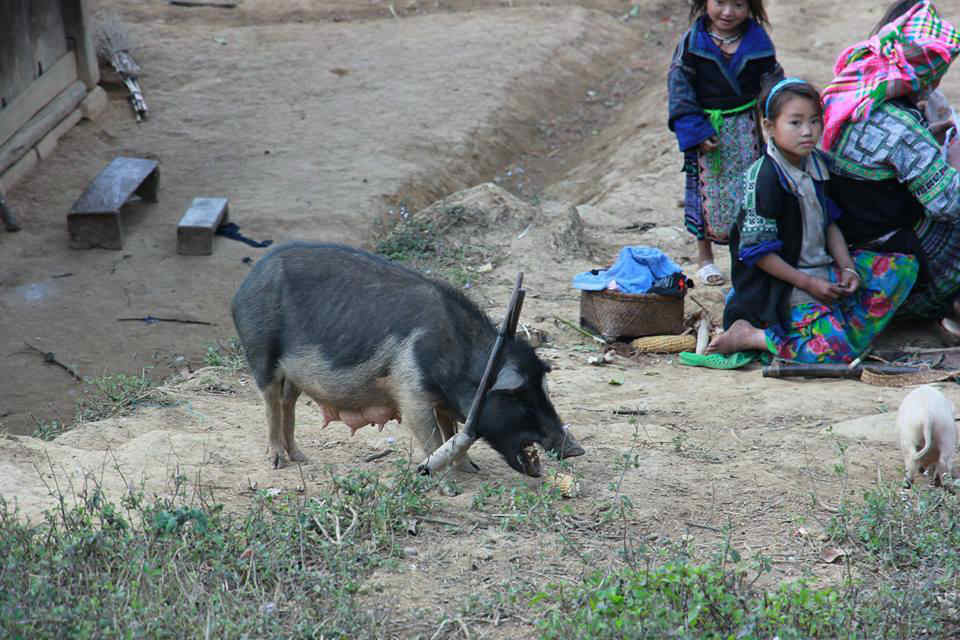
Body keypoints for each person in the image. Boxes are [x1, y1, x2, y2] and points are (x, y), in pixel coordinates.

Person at [708, 78, 918, 362]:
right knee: (834, 353)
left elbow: (828, 222)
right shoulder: (764, 179)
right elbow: (759, 255)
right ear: (769, 127)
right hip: (782, 283)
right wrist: (808, 283)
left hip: (821, 271)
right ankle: (753, 336)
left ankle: (836, 332)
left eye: (815, 121)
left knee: (903, 268)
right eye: (795, 123)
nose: (808, 132)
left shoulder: (815, 162)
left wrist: (848, 268)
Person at [821, 0, 960, 341]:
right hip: (892, 254)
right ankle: (948, 304)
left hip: (845, 241)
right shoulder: (899, 125)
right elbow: (948, 204)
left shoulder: (849, 90)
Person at [667, 0, 783, 287]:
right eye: (720, 2)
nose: (728, 12)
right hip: (709, 130)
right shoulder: (692, 43)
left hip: (746, 128)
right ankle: (705, 259)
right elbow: (679, 86)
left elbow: (771, 79)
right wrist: (694, 129)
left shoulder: (758, 42)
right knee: (705, 192)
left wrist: (775, 112)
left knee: (749, 190)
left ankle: (746, 254)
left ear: (751, 7)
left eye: (739, 4)